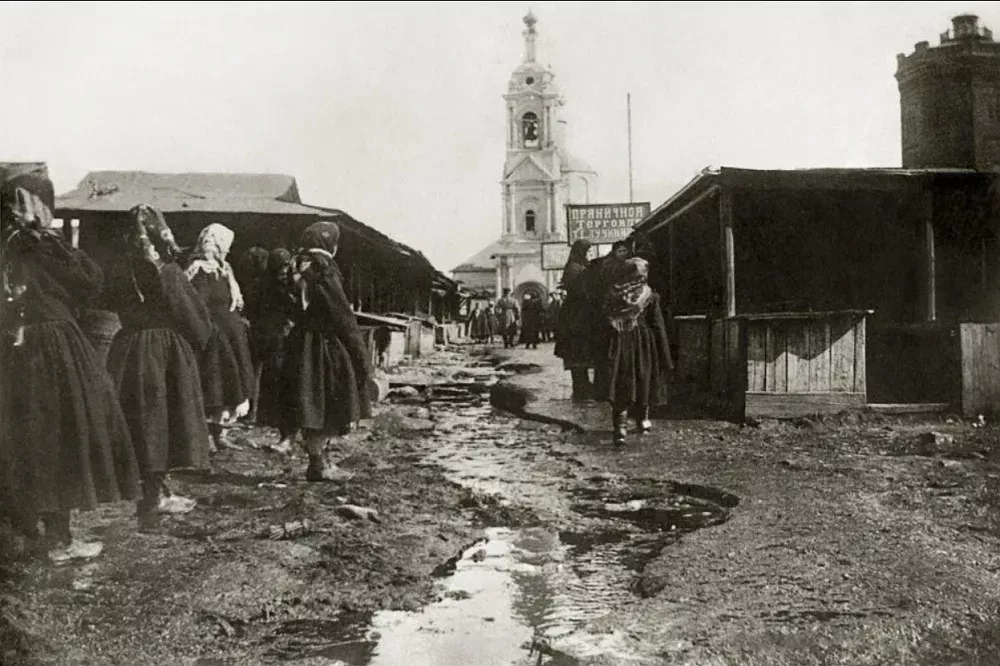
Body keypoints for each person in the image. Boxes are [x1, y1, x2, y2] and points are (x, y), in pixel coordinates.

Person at [0, 171, 140, 562]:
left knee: (29, 434)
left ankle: (36, 530)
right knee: (63, 430)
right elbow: (90, 281)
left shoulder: (8, 241)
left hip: (15, 343)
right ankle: (60, 539)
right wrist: (55, 241)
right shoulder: (39, 244)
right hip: (52, 343)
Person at [104, 204, 215, 530]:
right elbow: (196, 321)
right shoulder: (167, 271)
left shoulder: (120, 269)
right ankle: (154, 498)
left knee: (142, 421)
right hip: (163, 352)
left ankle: (155, 491)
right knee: (161, 420)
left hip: (128, 348)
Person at [279, 221, 372, 481]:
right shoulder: (324, 267)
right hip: (323, 344)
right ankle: (321, 465)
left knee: (310, 403)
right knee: (328, 399)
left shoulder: (296, 264)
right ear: (329, 242)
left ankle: (317, 461)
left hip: (299, 342)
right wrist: (359, 352)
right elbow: (341, 313)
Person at [185, 223, 255, 452]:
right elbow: (197, 304)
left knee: (230, 382)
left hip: (231, 334)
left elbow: (233, 299)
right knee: (212, 383)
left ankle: (221, 433)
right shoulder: (198, 270)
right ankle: (205, 436)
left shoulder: (225, 269)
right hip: (213, 335)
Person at [595, 256, 672, 446]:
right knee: (642, 378)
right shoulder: (648, 295)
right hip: (643, 343)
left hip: (618, 343)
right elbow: (658, 324)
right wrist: (665, 355)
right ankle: (642, 419)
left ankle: (620, 427)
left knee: (620, 381)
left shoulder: (612, 293)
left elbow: (602, 323)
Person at [253, 248, 299, 455]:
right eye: (279, 268)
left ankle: (292, 436)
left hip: (290, 343)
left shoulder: (295, 285)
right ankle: (285, 435)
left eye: (285, 267)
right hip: (273, 342)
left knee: (291, 389)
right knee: (277, 388)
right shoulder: (264, 286)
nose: (283, 272)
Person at [554, 239, 601, 400]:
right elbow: (580, 289)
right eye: (588, 252)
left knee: (585, 352)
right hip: (576, 315)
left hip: (585, 314)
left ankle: (585, 387)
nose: (590, 255)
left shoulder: (583, 266)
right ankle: (580, 388)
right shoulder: (573, 268)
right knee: (577, 352)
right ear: (581, 252)